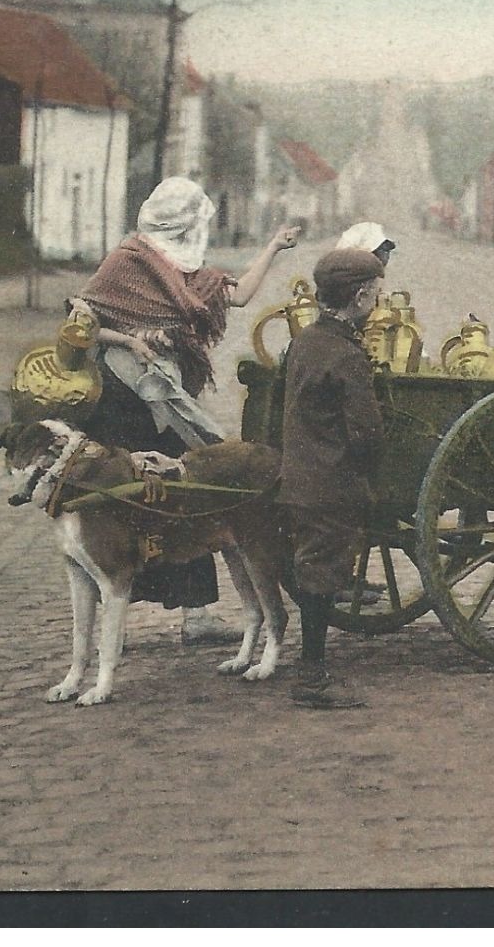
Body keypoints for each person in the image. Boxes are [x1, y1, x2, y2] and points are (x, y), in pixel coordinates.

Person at [70, 176, 301, 643]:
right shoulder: (125, 262)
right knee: (118, 506)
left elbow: (236, 296)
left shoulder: (189, 274)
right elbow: (82, 323)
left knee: (192, 497)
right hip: (120, 405)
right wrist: (130, 338)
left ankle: (195, 616)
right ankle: (105, 619)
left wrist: (274, 246)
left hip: (167, 400)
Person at [278, 247, 387, 709]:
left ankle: (312, 667)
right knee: (321, 575)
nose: (378, 303)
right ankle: (312, 676)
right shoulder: (347, 357)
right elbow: (366, 434)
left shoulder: (304, 341)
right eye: (376, 295)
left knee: (314, 569)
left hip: (300, 477)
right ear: (360, 296)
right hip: (330, 482)